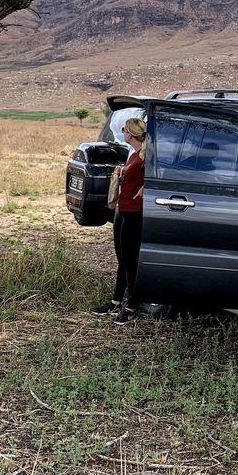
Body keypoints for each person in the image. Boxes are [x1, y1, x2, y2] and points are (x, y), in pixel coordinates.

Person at [91, 116, 147, 325]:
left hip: (134, 212)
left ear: (130, 133)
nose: (122, 132)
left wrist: (143, 189)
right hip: (123, 209)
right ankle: (115, 302)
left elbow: (153, 178)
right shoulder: (134, 154)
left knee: (130, 261)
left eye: (123, 129)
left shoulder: (145, 155)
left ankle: (131, 306)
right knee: (122, 259)